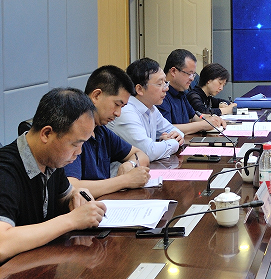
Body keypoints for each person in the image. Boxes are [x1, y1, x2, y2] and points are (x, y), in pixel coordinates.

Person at [0, 88, 107, 279]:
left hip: (31, 274)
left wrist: (75, 196)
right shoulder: (2, 174)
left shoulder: (51, 160)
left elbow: (65, 195)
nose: (78, 153)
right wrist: (71, 220)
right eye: (75, 144)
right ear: (47, 134)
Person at [63, 65, 152, 197]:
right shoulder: (72, 131)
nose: (118, 113)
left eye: (122, 107)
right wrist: (125, 180)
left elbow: (141, 154)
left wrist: (130, 163)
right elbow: (71, 187)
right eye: (116, 104)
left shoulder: (101, 131)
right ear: (96, 95)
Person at [107, 58, 186, 161]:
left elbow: (175, 131)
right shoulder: (126, 111)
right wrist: (173, 143)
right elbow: (149, 152)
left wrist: (174, 137)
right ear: (139, 89)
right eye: (159, 84)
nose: (166, 88)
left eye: (165, 82)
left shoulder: (151, 108)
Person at [157, 49, 226, 132]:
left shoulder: (180, 92)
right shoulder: (161, 94)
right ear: (173, 71)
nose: (192, 79)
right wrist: (202, 125)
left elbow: (193, 117)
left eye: (193, 74)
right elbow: (166, 129)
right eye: (189, 74)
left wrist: (213, 119)